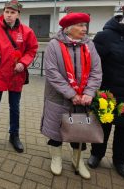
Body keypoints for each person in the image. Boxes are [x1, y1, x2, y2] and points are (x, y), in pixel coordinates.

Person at [41, 12, 102, 179]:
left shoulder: (89, 45)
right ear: (68, 28)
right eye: (80, 25)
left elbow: (96, 71)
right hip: (58, 97)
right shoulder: (54, 45)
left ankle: (78, 160)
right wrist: (71, 93)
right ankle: (56, 158)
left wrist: (89, 92)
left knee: (80, 130)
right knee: (56, 130)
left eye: (85, 25)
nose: (84, 29)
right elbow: (52, 72)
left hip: (83, 99)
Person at [0, 0, 38, 152]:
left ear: (18, 14)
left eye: (12, 12)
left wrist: (24, 63)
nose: (9, 15)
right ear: (3, 12)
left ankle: (14, 135)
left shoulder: (27, 32)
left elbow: (32, 49)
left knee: (15, 107)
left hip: (15, 74)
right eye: (7, 12)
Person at [88, 8, 124, 179]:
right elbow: (93, 65)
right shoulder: (105, 36)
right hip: (108, 92)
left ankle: (120, 161)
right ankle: (96, 154)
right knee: (102, 126)